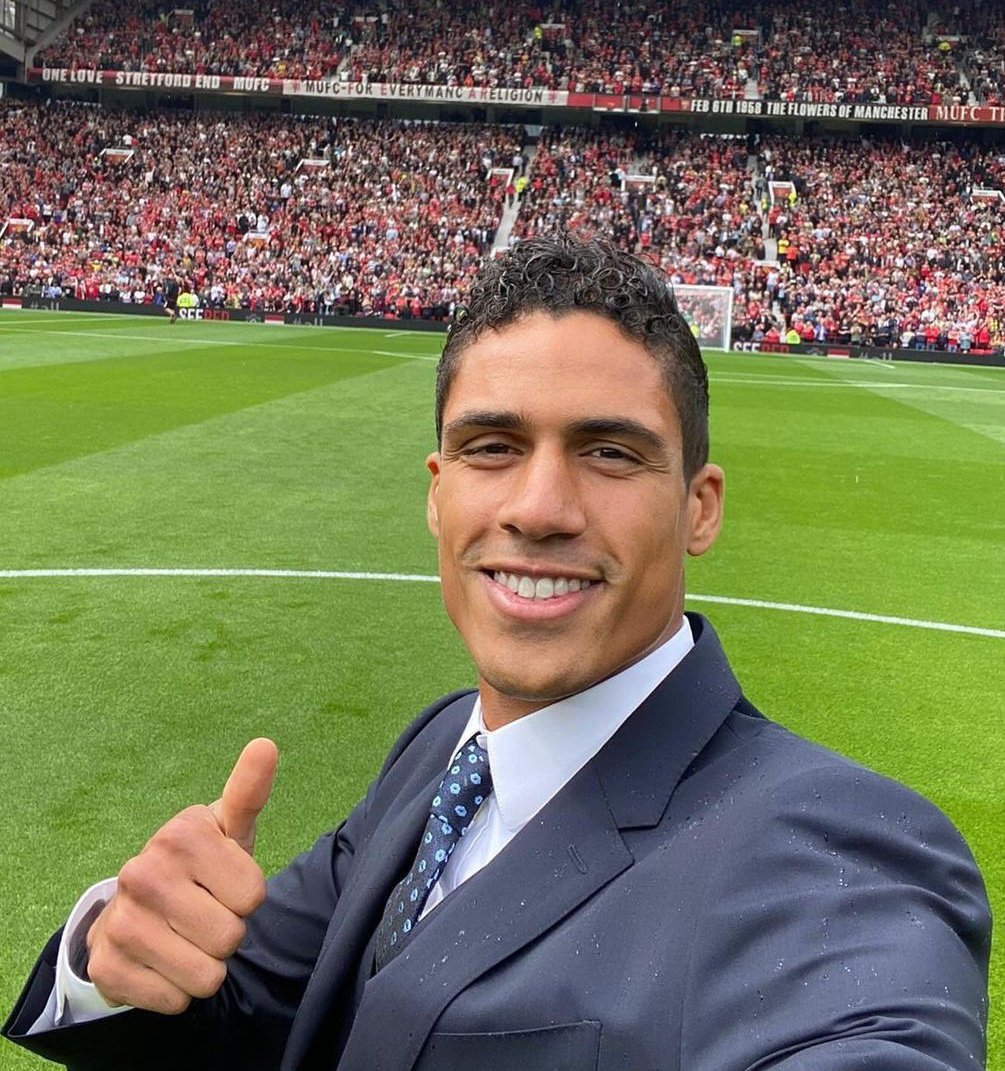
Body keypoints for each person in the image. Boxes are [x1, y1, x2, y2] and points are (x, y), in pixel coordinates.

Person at [3, 235, 991, 1071]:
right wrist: (118, 956)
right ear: (438, 492)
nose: (538, 508)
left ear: (700, 507)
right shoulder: (445, 749)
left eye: (609, 451)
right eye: (492, 447)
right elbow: (259, 1006)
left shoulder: (841, 858)